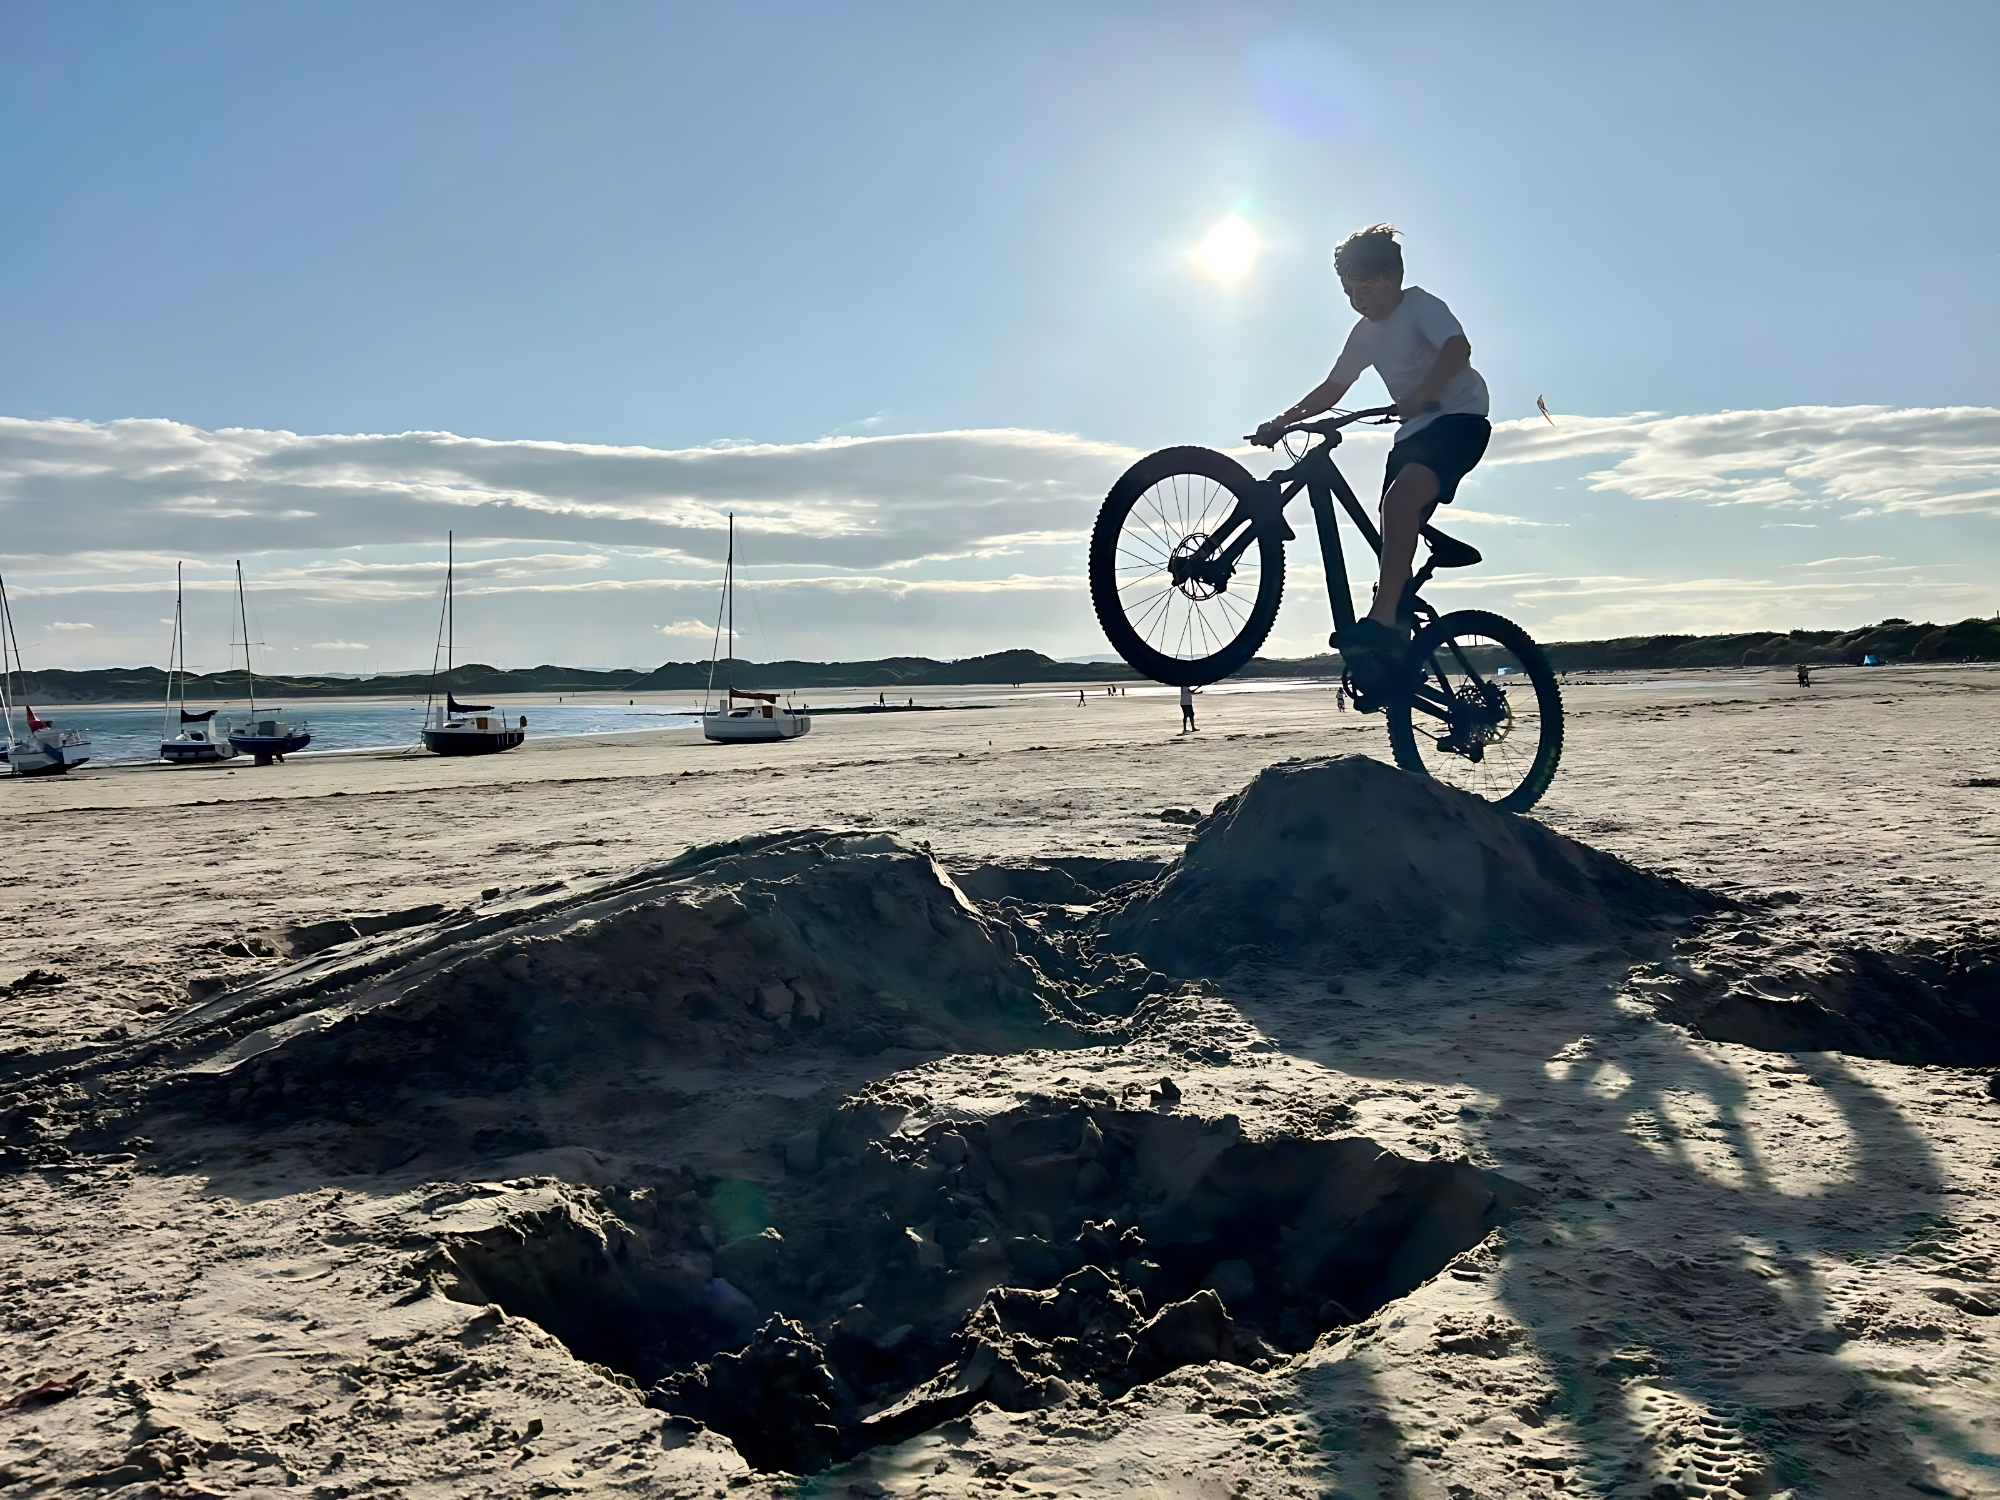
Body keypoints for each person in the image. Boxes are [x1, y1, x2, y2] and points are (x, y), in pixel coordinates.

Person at [1255, 224, 1491, 697]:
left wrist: (1425, 391)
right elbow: (1333, 389)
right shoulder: (1363, 335)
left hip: (1460, 419)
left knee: (1400, 503)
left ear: (1393, 279)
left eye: (1365, 287)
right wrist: (1284, 418)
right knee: (1390, 526)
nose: (1357, 298)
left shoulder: (1421, 305)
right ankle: (1396, 650)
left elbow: (1458, 350)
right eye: (1348, 290)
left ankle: (1383, 622)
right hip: (1413, 432)